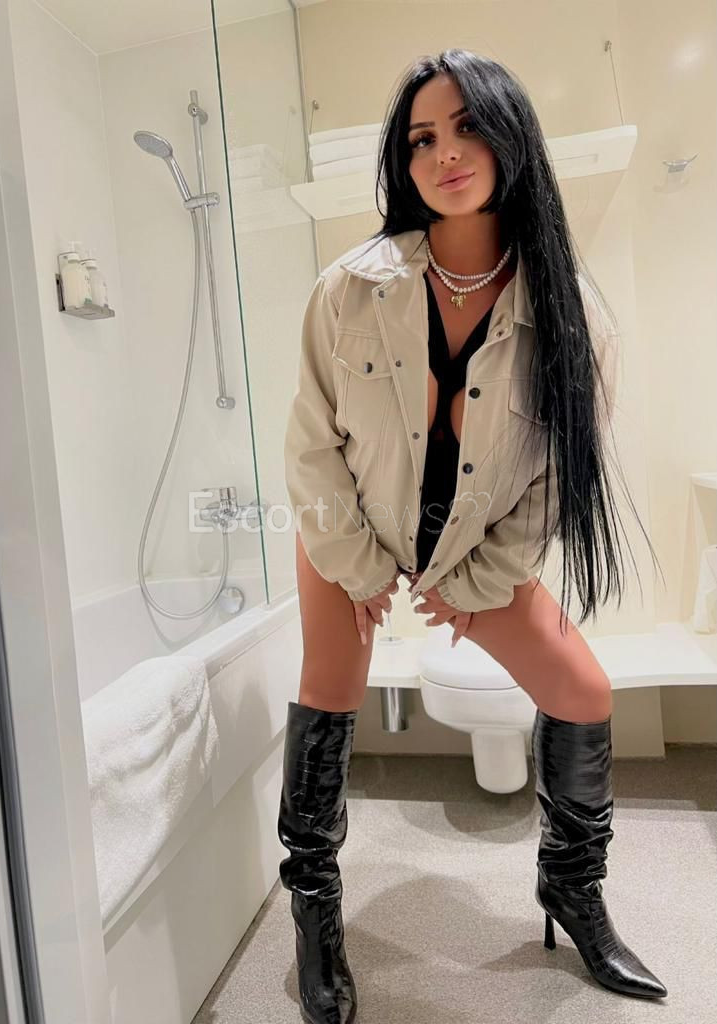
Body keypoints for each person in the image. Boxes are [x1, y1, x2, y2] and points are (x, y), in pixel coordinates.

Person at [277, 48, 667, 1024]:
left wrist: (477, 580)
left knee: (581, 689)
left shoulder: (573, 314)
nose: (443, 153)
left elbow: (555, 480)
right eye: (420, 138)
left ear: (509, 138)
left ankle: (572, 892)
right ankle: (314, 909)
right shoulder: (347, 288)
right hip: (349, 528)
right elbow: (310, 446)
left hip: (474, 547)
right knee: (329, 689)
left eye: (466, 127)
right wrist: (358, 565)